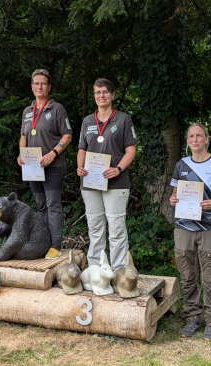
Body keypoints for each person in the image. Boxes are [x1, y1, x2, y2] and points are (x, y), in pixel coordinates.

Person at [169, 123, 211, 341]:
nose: (195, 140)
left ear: (206, 139)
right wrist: (172, 199)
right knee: (187, 276)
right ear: (187, 140)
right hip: (184, 226)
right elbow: (175, 193)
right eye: (191, 136)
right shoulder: (181, 164)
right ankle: (192, 317)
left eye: (199, 136)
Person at [77, 78, 137, 271]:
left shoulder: (123, 119)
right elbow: (82, 150)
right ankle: (96, 269)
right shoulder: (87, 121)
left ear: (112, 95)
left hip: (116, 182)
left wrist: (118, 169)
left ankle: (119, 270)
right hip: (91, 182)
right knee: (94, 228)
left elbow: (131, 150)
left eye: (105, 92)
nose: (101, 95)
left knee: (117, 228)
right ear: (94, 96)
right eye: (97, 92)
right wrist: (80, 167)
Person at [17, 69, 72, 259]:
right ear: (32, 87)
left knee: (53, 204)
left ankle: (55, 245)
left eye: (43, 84)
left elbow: (67, 135)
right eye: (36, 83)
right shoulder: (27, 111)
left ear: (49, 87)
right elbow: (23, 136)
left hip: (52, 166)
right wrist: (21, 154)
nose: (39, 87)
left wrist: (53, 153)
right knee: (41, 205)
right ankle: (44, 242)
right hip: (32, 167)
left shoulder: (57, 109)